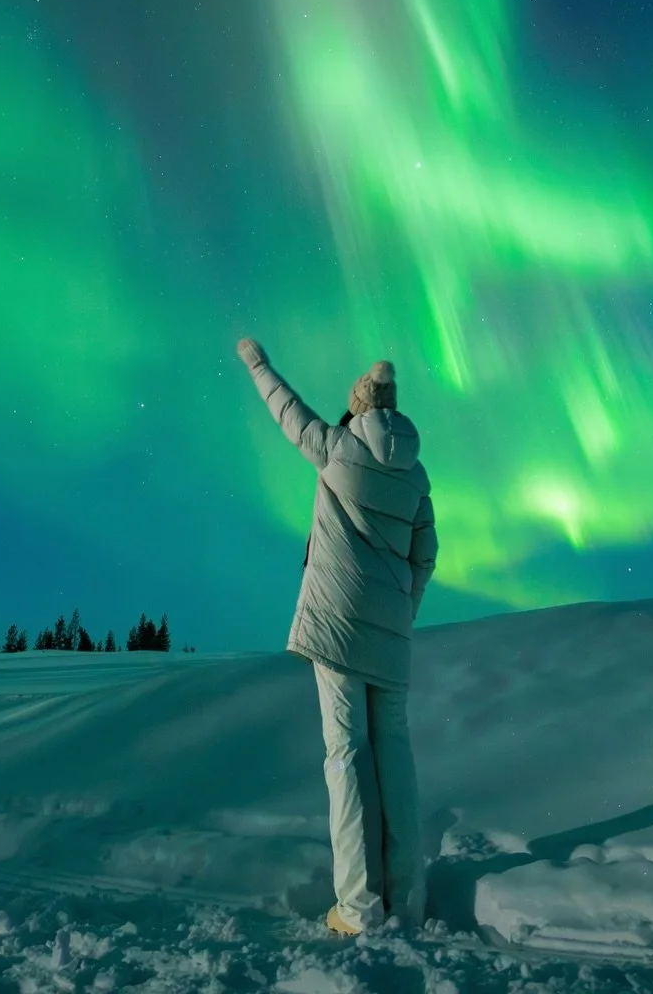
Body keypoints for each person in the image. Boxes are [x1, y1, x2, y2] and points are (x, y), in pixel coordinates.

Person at [235, 336, 438, 936]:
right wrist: (402, 611)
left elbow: (286, 409)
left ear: (356, 408)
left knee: (346, 758)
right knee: (394, 761)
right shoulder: (417, 477)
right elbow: (425, 557)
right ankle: (409, 901)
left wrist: (257, 362)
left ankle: (358, 909)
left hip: (339, 628)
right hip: (390, 639)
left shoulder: (336, 448)